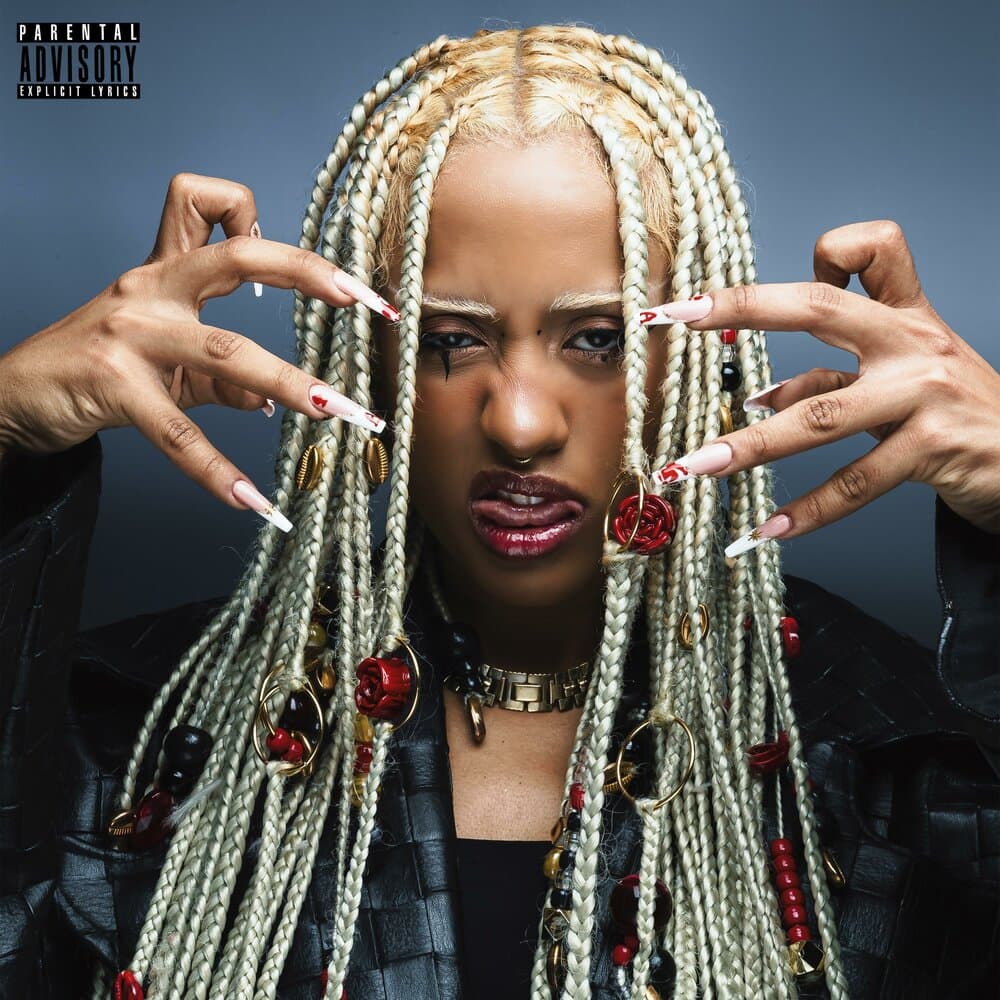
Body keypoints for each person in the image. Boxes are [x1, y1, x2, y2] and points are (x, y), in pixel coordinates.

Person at [0, 25, 997, 1000]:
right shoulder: (134, 739)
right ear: (372, 361)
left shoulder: (907, 752)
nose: (520, 424)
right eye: (452, 339)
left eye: (599, 338)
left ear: (696, 358)